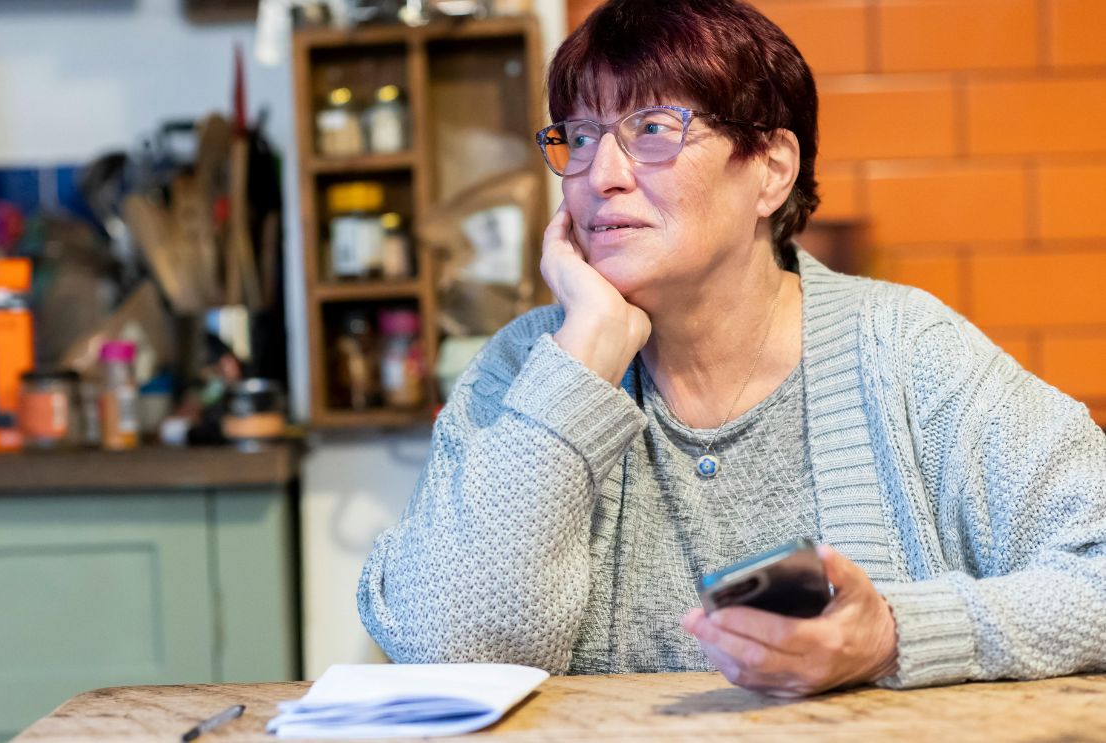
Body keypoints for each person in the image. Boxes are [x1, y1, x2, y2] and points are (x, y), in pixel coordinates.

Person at [357, 0, 1106, 697]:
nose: (600, 176)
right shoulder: (530, 367)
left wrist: (892, 634)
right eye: (580, 136)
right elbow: (450, 654)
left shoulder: (906, 352)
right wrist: (576, 364)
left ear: (771, 170)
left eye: (651, 129)